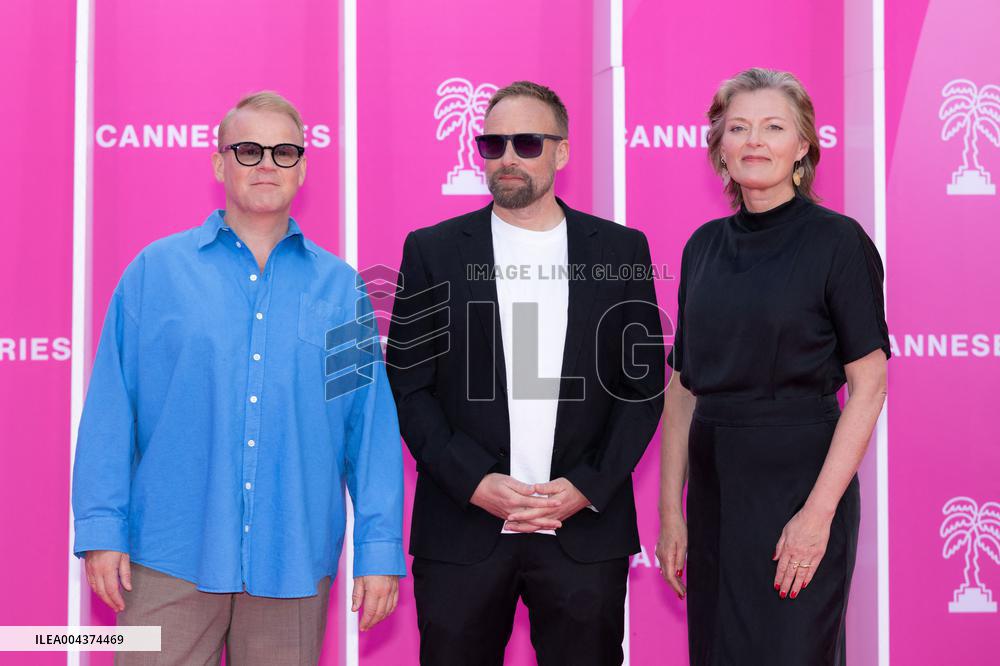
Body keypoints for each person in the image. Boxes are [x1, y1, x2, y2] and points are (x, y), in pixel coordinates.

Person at [71, 91, 405, 665]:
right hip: (168, 556)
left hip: (292, 560)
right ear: (219, 162)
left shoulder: (340, 288)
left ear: (303, 166)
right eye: (248, 150)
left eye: (284, 150)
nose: (267, 164)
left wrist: (379, 551)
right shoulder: (155, 272)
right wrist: (102, 530)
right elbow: (110, 410)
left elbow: (368, 433)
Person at [385, 80, 664, 666]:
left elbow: (641, 392)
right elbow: (410, 388)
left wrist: (586, 485)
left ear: (562, 152)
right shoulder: (432, 251)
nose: (508, 157)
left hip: (583, 534)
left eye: (528, 142)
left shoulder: (620, 251)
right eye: (494, 143)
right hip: (463, 531)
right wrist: (474, 482)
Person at [656, 68, 890, 665]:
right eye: (738, 128)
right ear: (720, 146)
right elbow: (682, 388)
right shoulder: (702, 246)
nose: (754, 141)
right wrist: (669, 511)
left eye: (773, 127)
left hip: (800, 482)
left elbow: (869, 385)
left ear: (803, 147)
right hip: (714, 490)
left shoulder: (838, 242)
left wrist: (817, 515)